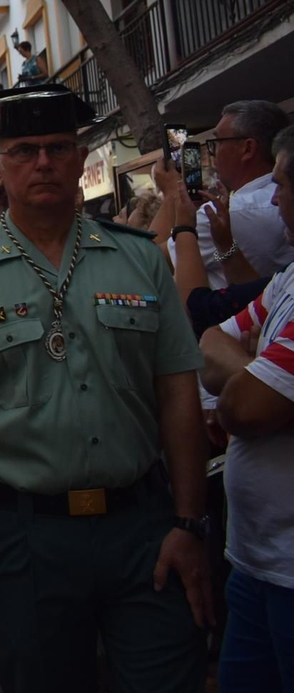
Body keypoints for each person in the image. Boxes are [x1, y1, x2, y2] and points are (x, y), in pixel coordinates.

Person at [0, 84, 212, 692]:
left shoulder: (140, 260)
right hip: (26, 539)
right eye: (23, 150)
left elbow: (179, 391)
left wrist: (189, 522)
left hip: (144, 530)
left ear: (80, 158)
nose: (42, 163)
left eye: (57, 147)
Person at [198, 122, 294, 690]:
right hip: (255, 561)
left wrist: (249, 391)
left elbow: (246, 412)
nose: (275, 198)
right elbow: (211, 340)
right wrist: (253, 377)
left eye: (284, 185)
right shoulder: (285, 283)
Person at [179, 101, 294, 288]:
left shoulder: (218, 215)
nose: (213, 154)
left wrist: (171, 195)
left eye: (217, 143)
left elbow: (152, 259)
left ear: (247, 149)